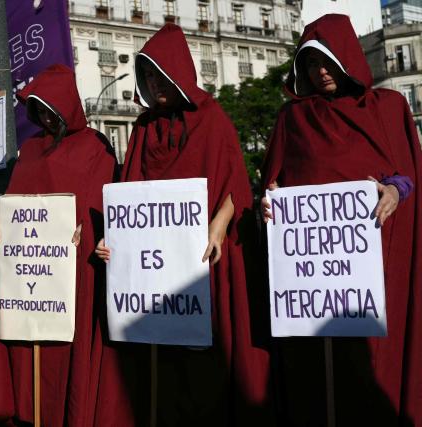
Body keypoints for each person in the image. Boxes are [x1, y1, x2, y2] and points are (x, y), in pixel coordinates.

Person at [95, 24, 273, 425]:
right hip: (152, 271)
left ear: (179, 72)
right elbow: (129, 194)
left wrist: (218, 226)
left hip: (203, 261)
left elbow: (235, 186)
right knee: (158, 363)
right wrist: (113, 240)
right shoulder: (142, 128)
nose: (156, 84)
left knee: (201, 363)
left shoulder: (213, 120)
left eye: (162, 74)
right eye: (149, 76)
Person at [261, 14, 422, 426]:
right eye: (311, 64)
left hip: (374, 267)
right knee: (316, 376)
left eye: (328, 60)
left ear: (347, 57)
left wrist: (394, 191)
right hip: (308, 280)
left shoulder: (387, 107)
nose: (321, 72)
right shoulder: (291, 118)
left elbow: (407, 174)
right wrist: (267, 206)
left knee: (369, 370)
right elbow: (272, 184)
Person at [0, 64, 131, 426]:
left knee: (66, 355)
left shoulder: (95, 147)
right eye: (39, 110)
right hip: (30, 277)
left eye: (51, 108)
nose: (45, 117)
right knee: (30, 351)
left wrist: (88, 232)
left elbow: (104, 206)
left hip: (74, 274)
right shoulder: (29, 151)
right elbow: (16, 205)